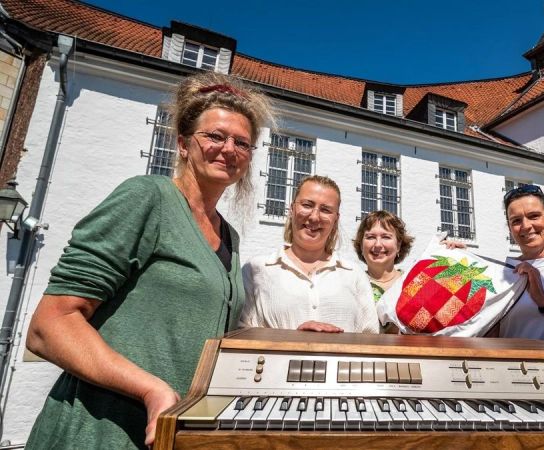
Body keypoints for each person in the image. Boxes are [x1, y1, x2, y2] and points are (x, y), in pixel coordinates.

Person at [25, 72, 273, 449]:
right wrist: (150, 389)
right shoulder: (147, 197)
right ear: (183, 143)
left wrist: (291, 333)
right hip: (100, 433)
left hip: (171, 437)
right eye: (215, 136)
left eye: (242, 142)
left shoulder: (229, 236)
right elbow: (50, 325)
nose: (229, 149)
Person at [239, 175, 379, 334]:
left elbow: (371, 336)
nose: (314, 216)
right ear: (292, 209)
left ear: (335, 219)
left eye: (326, 210)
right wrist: (293, 338)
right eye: (307, 205)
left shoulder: (354, 274)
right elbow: (240, 332)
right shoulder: (257, 270)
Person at [497, 185, 544, 343]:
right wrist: (455, 258)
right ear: (510, 228)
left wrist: (542, 300)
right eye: (516, 220)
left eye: (534, 216)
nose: (526, 226)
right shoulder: (500, 274)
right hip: (509, 366)